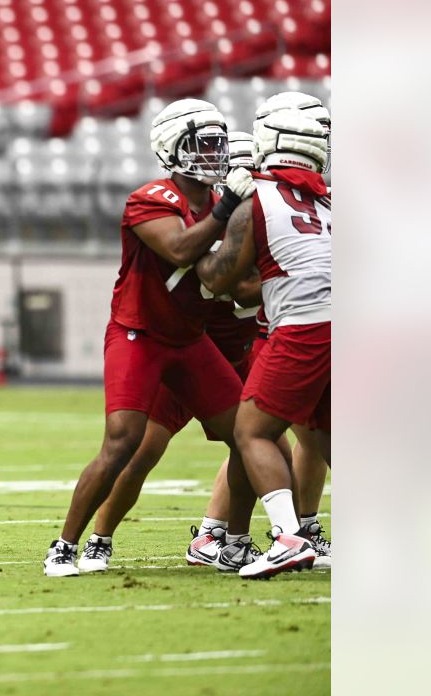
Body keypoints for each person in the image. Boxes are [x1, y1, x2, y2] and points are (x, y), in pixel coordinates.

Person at [43, 99, 255, 577]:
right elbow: (181, 247)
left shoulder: (229, 204)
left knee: (249, 436)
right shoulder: (150, 197)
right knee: (125, 444)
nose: (214, 153)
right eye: (204, 143)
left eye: (219, 143)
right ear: (172, 147)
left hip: (190, 339)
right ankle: (67, 545)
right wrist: (227, 210)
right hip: (139, 334)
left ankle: (235, 543)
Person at [195, 108, 331, 579]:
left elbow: (216, 278)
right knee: (332, 439)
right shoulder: (329, 199)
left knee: (251, 430)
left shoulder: (257, 196)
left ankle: (289, 538)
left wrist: (190, 248)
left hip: (301, 327)